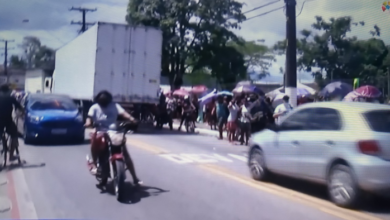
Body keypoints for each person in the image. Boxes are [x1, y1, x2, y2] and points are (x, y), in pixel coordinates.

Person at [84, 90, 142, 186]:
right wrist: (88, 123)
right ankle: (94, 164)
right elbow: (89, 118)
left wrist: (132, 119)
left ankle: (135, 178)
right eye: (102, 100)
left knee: (125, 153)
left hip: (114, 132)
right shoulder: (94, 107)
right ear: (98, 100)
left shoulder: (115, 106)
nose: (104, 102)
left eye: (105, 100)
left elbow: (124, 114)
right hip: (100, 131)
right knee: (94, 143)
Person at [0, 84, 24, 161]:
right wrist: (23, 113)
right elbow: (20, 108)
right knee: (14, 135)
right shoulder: (11, 98)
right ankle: (11, 156)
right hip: (7, 121)